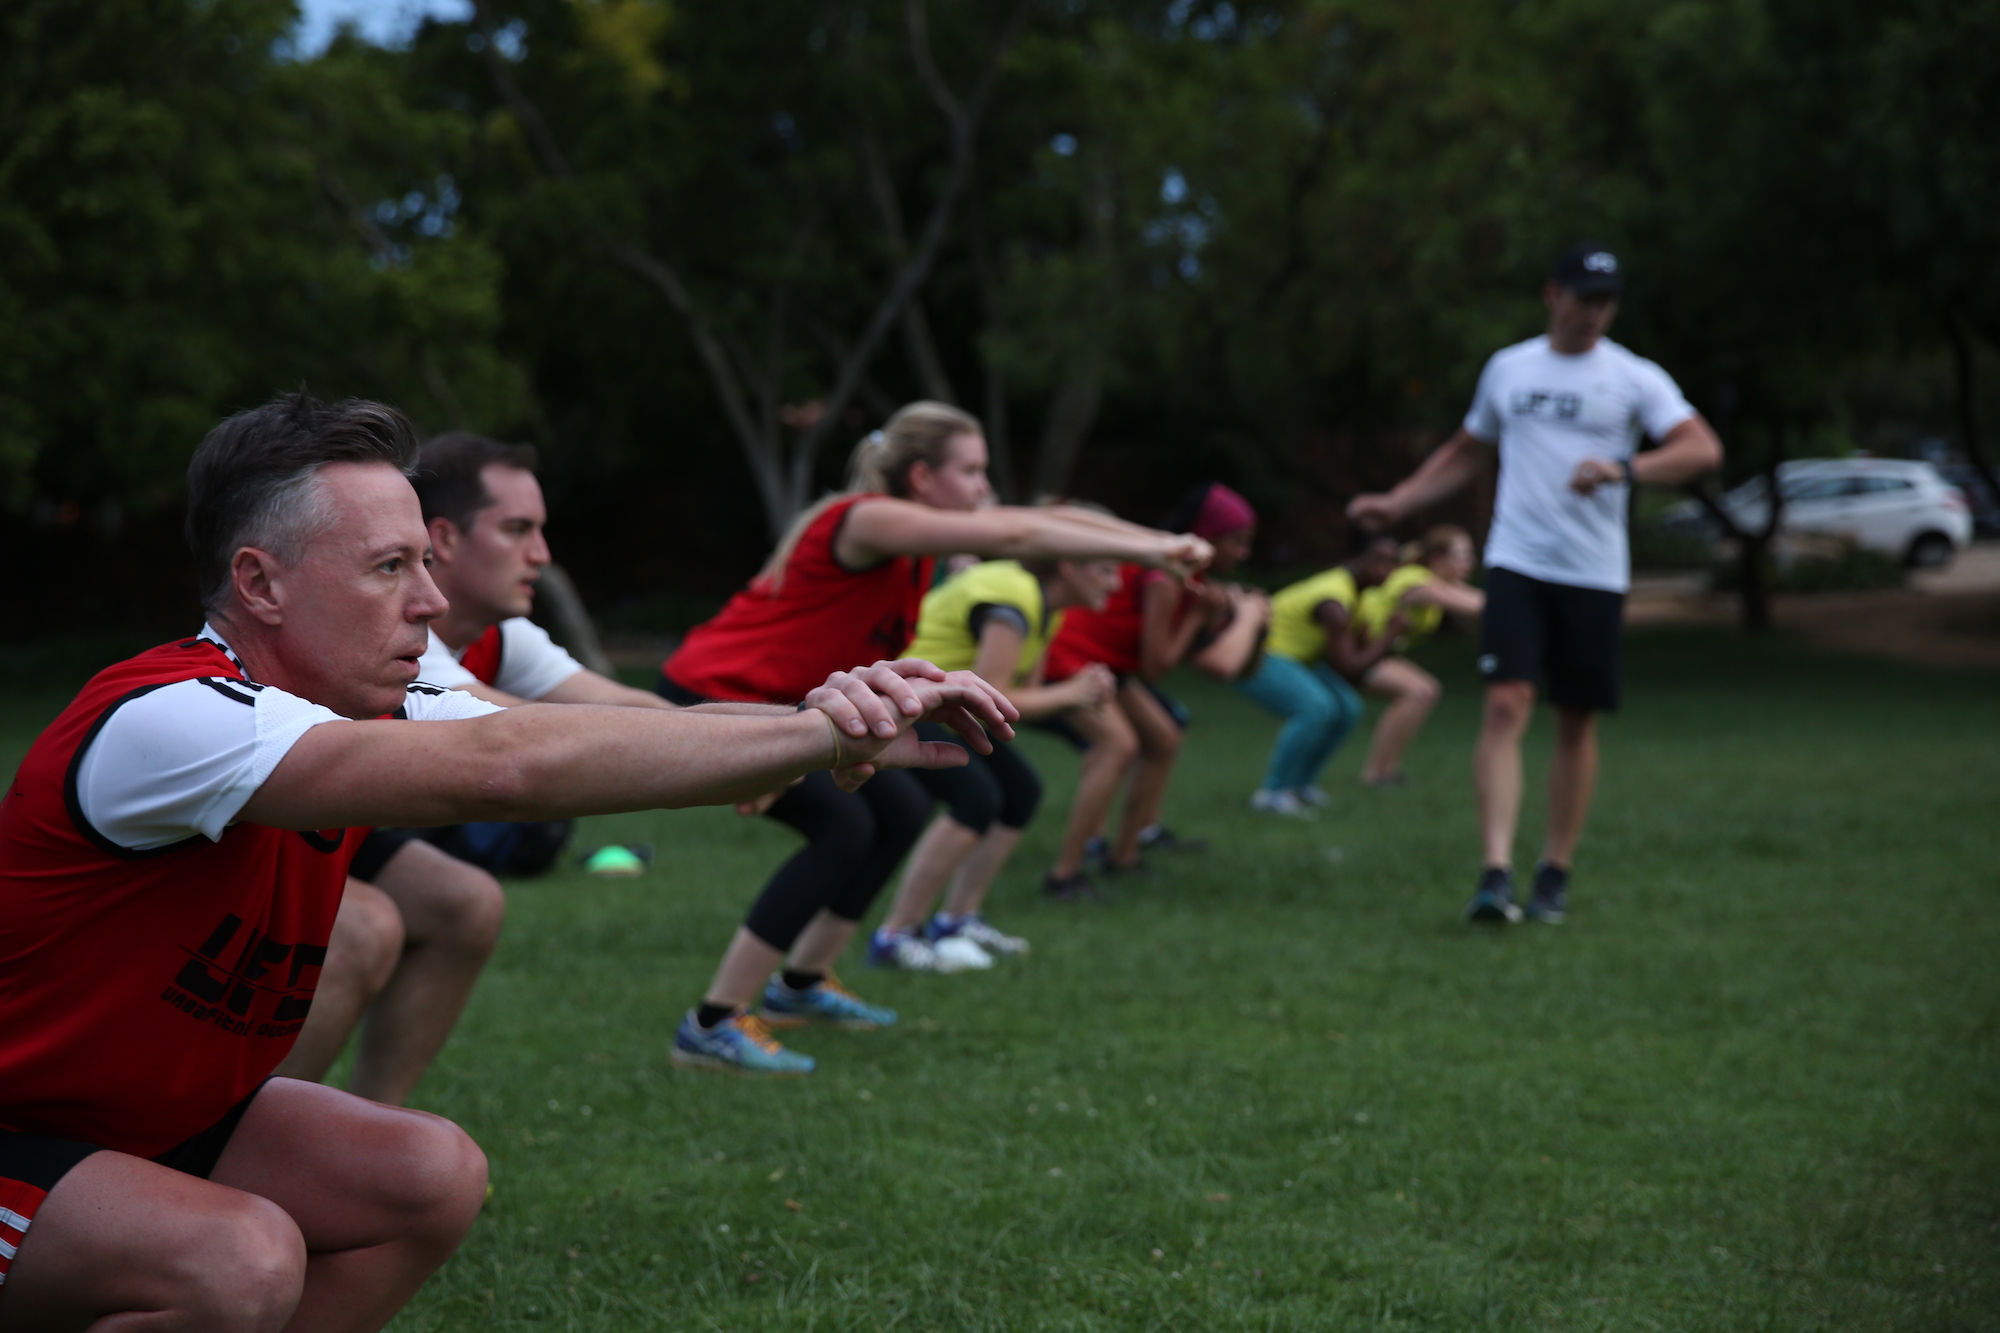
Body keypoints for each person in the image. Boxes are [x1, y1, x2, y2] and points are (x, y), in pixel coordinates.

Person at [0, 393, 1015, 1331]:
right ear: (259, 581)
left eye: (423, 564)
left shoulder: (370, 702)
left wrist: (834, 719)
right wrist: (815, 738)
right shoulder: (171, 715)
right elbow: (508, 767)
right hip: (25, 1128)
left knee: (431, 1174)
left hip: (158, 1118)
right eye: (389, 567)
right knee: (241, 1258)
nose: (431, 602)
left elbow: (593, 738)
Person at [658, 401, 1210, 1069]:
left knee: (903, 809)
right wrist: (1155, 548)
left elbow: (1048, 519)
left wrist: (1153, 539)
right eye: (971, 471)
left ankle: (799, 986)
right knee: (843, 828)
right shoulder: (864, 518)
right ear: (922, 477)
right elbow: (1020, 534)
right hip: (716, 695)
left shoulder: (918, 557)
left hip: (794, 708)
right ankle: (713, 1022)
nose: (983, 487)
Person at [273, 432, 686, 1107]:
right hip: (253, 830)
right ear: (447, 538)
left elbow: (631, 710)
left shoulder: (498, 633)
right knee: (366, 925)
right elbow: (522, 744)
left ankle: (368, 1133)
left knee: (463, 902)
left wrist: (804, 728)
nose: (542, 554)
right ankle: (239, 1150)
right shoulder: (399, 642)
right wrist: (797, 743)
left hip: (326, 827)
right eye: (518, 529)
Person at [1348, 242, 1722, 923]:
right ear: (1554, 295)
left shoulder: (1634, 377)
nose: (1595, 314)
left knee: (1574, 721)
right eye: (1584, 298)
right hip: (1517, 562)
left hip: (1594, 572)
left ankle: (1555, 868)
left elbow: (1702, 447)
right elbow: (1466, 450)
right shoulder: (1510, 369)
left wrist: (1624, 468)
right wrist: (1399, 502)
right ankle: (1495, 872)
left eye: (1607, 302)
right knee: (1504, 703)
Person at [870, 554, 1124, 962]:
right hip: (903, 704)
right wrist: (1072, 693)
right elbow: (992, 693)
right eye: (1107, 568)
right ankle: (895, 937)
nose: (1116, 584)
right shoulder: (1015, 600)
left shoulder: (1044, 608)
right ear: (1068, 565)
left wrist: (1075, 692)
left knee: (1021, 792)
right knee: (976, 798)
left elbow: (1021, 696)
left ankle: (956, 920)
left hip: (944, 710)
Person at [1041, 483, 1267, 873]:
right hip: (1072, 655)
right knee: (1118, 745)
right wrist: (1199, 617)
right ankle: (1065, 872)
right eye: (1237, 541)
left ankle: (1124, 854)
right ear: (1208, 538)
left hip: (1110, 665)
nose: (1244, 553)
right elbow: (1156, 667)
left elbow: (1219, 664)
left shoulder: (1191, 581)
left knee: (1164, 737)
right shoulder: (1165, 577)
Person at [1237, 534, 1406, 816]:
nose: (1386, 569)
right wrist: (1390, 636)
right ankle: (1273, 793)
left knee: (1348, 708)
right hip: (1260, 653)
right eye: (1379, 560)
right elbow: (1348, 667)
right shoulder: (1334, 601)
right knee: (1315, 707)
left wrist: (1383, 639)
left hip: (1298, 659)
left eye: (1393, 563)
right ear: (1359, 558)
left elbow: (1359, 657)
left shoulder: (1360, 593)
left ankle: (1300, 785)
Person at [1352, 524, 1487, 787]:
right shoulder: (1415, 580)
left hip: (1374, 651)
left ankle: (1384, 771)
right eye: (1462, 555)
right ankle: (1375, 773)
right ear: (1437, 559)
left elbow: (1477, 598)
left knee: (1422, 692)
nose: (1469, 563)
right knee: (1418, 692)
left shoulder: (1436, 583)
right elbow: (1476, 605)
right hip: (1355, 648)